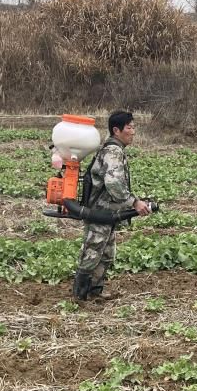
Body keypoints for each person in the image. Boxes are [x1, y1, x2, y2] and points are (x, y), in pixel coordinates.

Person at [72, 110, 152, 301]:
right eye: (129, 128)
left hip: (108, 213)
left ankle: (95, 292)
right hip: (100, 212)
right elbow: (114, 183)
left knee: (106, 254)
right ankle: (79, 296)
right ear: (117, 130)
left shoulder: (113, 150)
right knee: (92, 253)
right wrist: (134, 202)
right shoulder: (113, 152)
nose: (133, 132)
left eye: (134, 127)